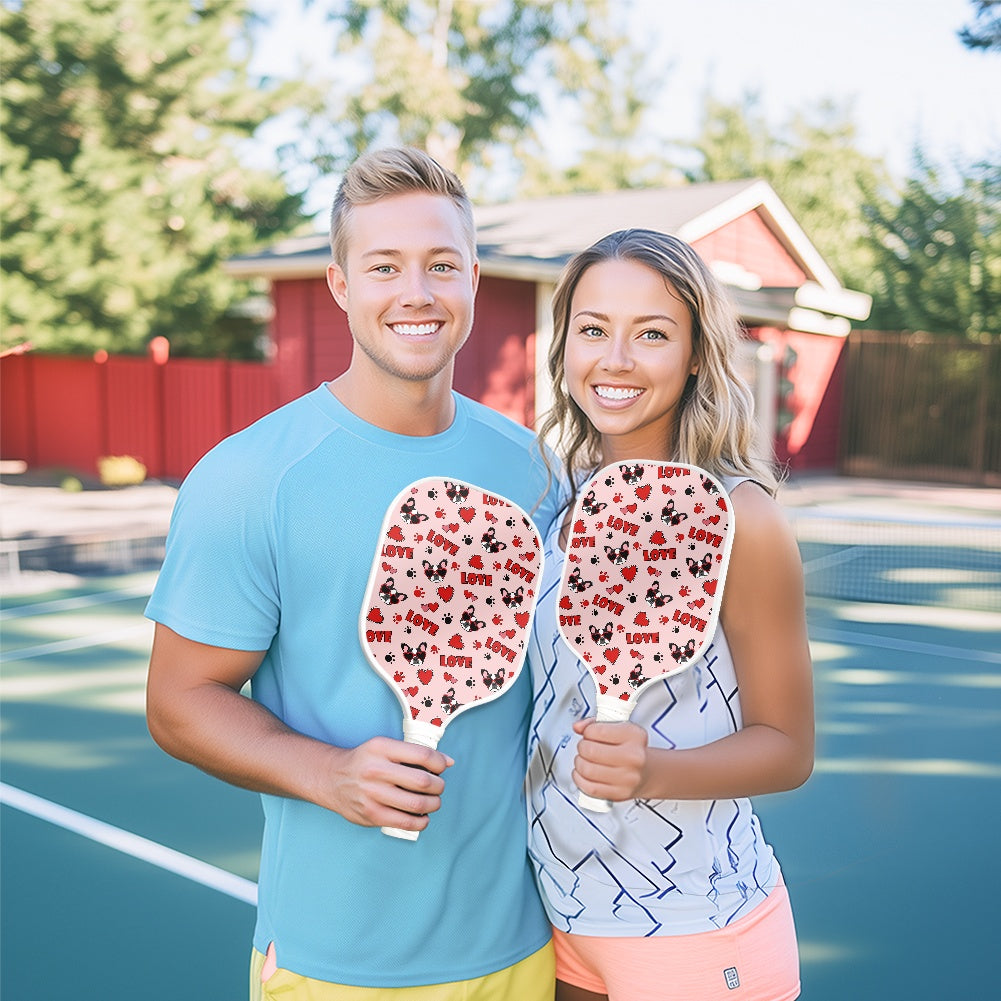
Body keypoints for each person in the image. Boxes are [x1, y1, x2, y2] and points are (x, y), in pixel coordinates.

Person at [145, 146, 557, 1000]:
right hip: (334, 964)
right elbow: (178, 701)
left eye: (441, 265)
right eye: (384, 266)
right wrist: (329, 774)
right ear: (340, 284)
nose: (417, 292)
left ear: (473, 279)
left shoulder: (534, 471)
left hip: (524, 948)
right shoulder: (250, 476)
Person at [525, 229, 814, 1001]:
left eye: (650, 333)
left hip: (695, 929)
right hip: (557, 924)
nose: (614, 358)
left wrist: (654, 770)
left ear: (694, 354)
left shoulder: (739, 517)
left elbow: (786, 748)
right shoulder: (558, 504)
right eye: (592, 329)